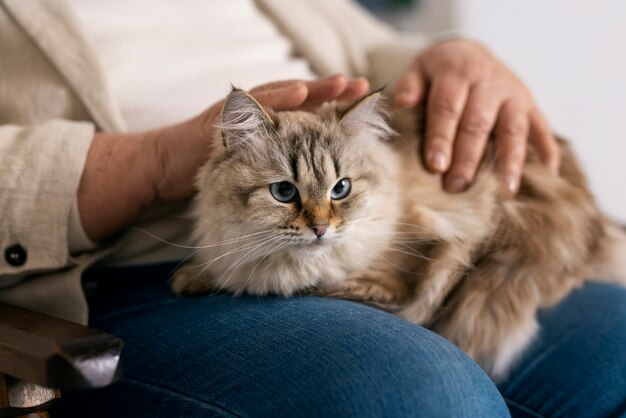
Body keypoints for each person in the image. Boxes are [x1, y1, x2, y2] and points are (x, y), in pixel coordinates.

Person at [0, 0, 624, 416]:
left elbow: (375, 50)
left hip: (358, 192)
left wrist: (450, 57)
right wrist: (152, 161)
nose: (317, 218)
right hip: (144, 271)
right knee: (421, 395)